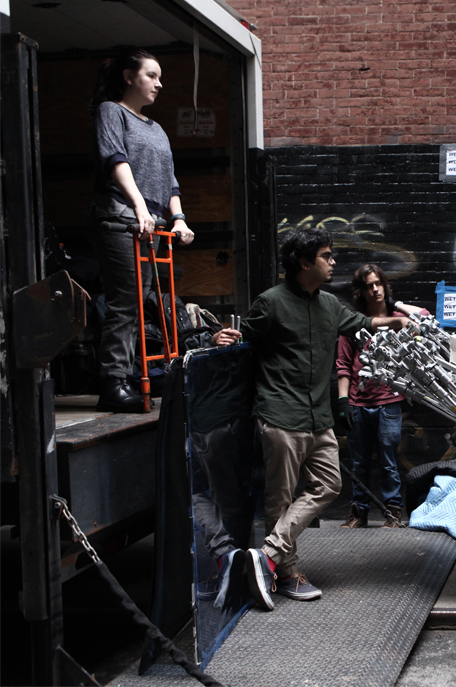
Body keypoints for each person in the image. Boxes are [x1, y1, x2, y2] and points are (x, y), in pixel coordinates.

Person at [209, 228, 410, 610]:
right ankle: (286, 574)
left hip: (319, 418)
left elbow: (364, 325)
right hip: (280, 414)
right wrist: (224, 338)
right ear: (304, 263)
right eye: (326, 255)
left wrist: (398, 321)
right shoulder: (270, 303)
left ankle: (265, 556)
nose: (333, 261)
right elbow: (242, 340)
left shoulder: (329, 305)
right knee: (279, 500)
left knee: (330, 484)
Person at [89, 47, 195, 413]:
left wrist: (178, 218)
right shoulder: (111, 112)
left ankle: (136, 374)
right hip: (121, 219)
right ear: (128, 76)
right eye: (151, 75)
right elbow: (115, 159)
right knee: (126, 303)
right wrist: (137, 206)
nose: (159, 83)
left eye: (160, 76)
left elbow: (170, 180)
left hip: (150, 226)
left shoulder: (157, 129)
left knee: (143, 304)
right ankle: (113, 383)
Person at [336, 264, 428, 528]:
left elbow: (424, 315)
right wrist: (344, 402)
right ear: (360, 291)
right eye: (368, 286)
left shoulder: (400, 318)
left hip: (389, 403)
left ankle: (392, 512)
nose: (374, 289)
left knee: (388, 463)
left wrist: (395, 303)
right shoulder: (353, 324)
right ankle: (359, 512)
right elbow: (343, 365)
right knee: (359, 463)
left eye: (378, 283)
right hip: (358, 403)